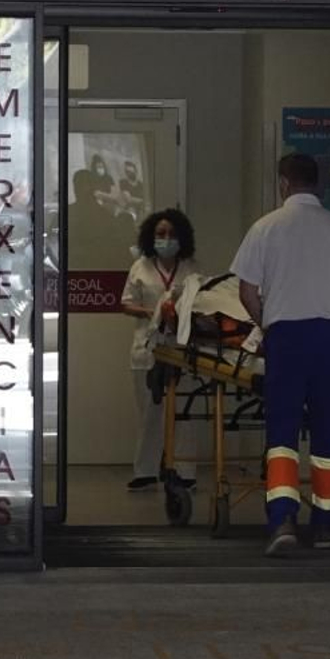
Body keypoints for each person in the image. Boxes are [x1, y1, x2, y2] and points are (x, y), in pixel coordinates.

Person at [230, 153, 330, 556]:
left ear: (283, 184)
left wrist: (266, 323)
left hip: (286, 339)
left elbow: (246, 290)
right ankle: (326, 526)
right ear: (319, 185)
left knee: (283, 434)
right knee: (327, 431)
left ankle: (282, 523)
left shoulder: (264, 229)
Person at [121, 209, 204, 491]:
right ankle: (146, 470)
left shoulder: (191, 268)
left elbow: (202, 303)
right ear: (151, 237)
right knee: (150, 413)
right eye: (160, 234)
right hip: (148, 348)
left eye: (171, 234)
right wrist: (154, 312)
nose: (166, 239)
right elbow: (125, 303)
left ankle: (185, 470)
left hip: (183, 347)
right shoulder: (141, 266)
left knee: (184, 411)